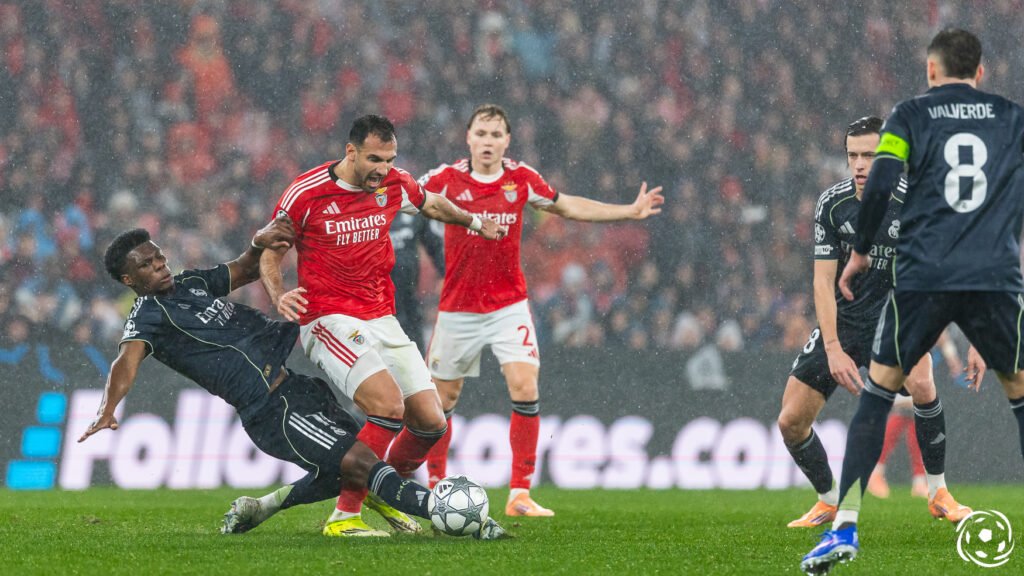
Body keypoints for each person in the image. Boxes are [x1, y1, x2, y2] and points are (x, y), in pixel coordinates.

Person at [78, 223, 506, 540]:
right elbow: (124, 363)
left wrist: (264, 239)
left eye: (159, 258)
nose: (160, 267)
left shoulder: (189, 283)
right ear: (130, 281)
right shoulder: (146, 316)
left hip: (295, 385)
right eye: (147, 267)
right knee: (358, 462)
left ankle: (262, 507)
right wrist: (108, 408)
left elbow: (246, 269)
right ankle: (446, 512)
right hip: (269, 408)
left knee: (349, 465)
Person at [803, 28, 1024, 573]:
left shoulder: (909, 115)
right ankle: (932, 491)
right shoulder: (1010, 118)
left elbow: (878, 188)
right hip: (990, 274)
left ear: (930, 71)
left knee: (877, 395)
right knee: (1020, 396)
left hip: (924, 274)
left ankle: (844, 529)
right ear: (981, 72)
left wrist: (857, 253)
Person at [260, 114, 507, 536]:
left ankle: (379, 486)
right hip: (327, 318)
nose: (383, 169)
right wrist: (278, 293)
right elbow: (270, 250)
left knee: (431, 421)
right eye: (374, 159)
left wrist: (472, 221)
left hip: (381, 316)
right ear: (350, 151)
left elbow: (429, 202)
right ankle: (345, 516)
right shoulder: (306, 193)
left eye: (390, 159)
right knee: (388, 407)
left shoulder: (395, 183)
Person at [419, 104, 664, 516]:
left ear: (507, 141)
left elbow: (568, 205)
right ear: (468, 137)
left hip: (508, 305)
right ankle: (435, 487)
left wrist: (627, 211)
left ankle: (519, 493)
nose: (488, 141)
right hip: (458, 307)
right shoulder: (444, 179)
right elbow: (402, 197)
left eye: (496, 134)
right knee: (443, 400)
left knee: (525, 386)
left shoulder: (520, 178)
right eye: (481, 133)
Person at [779, 116, 977, 529]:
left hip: (897, 319)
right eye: (853, 155)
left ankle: (938, 492)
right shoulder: (832, 205)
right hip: (847, 321)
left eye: (870, 155)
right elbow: (821, 281)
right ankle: (828, 499)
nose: (860, 165)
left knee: (923, 385)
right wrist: (832, 347)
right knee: (791, 422)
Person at [868, 334, 964, 499]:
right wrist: (952, 356)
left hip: (918, 357)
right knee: (903, 409)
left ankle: (919, 480)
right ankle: (875, 472)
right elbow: (940, 331)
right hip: (899, 353)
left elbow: (940, 330)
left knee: (916, 416)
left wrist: (951, 356)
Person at [389, 212, 445, 351]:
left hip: (408, 296)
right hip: (371, 298)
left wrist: (447, 275)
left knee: (412, 345)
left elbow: (434, 245)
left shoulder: (410, 203)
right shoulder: (359, 207)